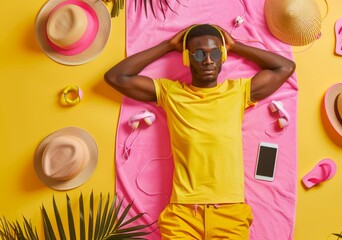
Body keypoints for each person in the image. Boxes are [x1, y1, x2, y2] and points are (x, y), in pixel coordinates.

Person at [104, 24, 295, 240]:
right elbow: (116, 77)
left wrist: (236, 46)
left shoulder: (238, 90)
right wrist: (167, 46)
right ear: (186, 59)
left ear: (222, 56)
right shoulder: (171, 92)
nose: (207, 60)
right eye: (198, 54)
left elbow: (285, 67)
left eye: (215, 53)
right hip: (183, 213)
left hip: (230, 212)